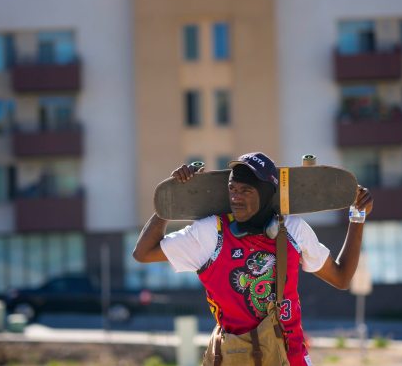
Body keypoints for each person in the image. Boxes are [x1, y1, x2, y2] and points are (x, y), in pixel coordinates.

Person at [133, 152, 373, 366]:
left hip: (290, 358)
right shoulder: (209, 233)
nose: (236, 197)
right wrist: (172, 199)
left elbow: (341, 278)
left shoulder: (292, 229)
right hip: (235, 357)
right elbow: (143, 253)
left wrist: (357, 217)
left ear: (267, 193)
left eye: (246, 190)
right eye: (233, 189)